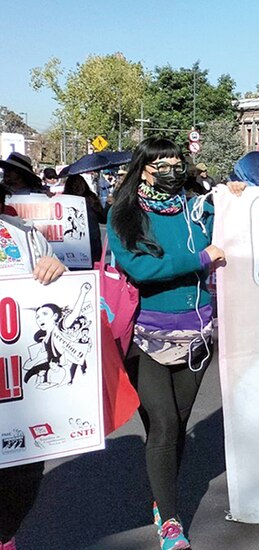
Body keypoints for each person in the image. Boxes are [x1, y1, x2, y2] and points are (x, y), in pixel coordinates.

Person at [106, 138, 228, 550]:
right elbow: (140, 268)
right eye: (162, 163)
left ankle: (162, 498)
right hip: (145, 337)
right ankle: (171, 520)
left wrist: (238, 192)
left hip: (197, 335)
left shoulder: (199, 208)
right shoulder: (124, 214)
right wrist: (201, 260)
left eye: (178, 161)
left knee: (177, 426)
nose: (172, 168)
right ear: (143, 169)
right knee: (164, 425)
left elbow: (240, 221)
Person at [0, 172, 68, 550]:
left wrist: (56, 272)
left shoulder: (23, 234)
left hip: (19, 383)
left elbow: (63, 294)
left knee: (24, 476)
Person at [61, 174, 106, 263]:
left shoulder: (63, 201)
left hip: (71, 245)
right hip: (93, 243)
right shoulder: (91, 199)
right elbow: (103, 219)